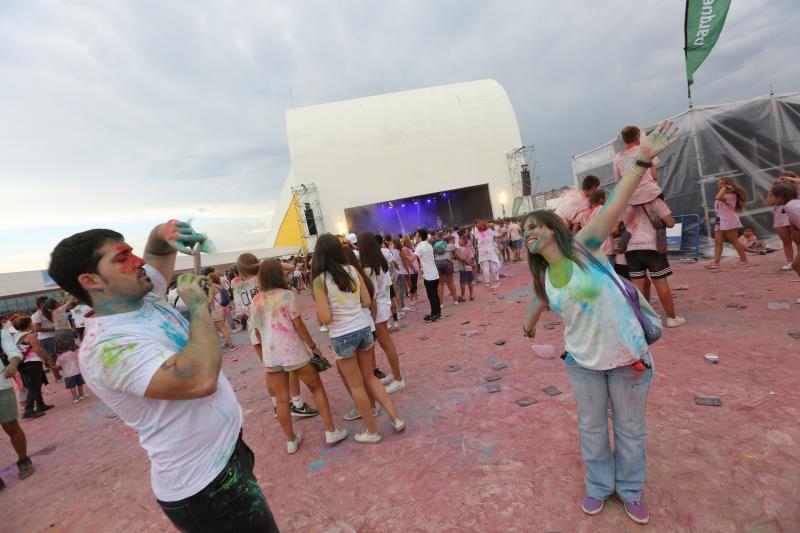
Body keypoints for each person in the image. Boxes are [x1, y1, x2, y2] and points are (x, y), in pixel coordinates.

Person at [47, 220, 279, 532]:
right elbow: (200, 380)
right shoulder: (108, 349)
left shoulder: (143, 296)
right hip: (205, 486)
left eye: (131, 251)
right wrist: (197, 307)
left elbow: (157, 248)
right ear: (91, 280)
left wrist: (164, 232)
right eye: (122, 258)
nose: (138, 261)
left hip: (224, 457)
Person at [521, 121, 679, 525]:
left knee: (630, 431)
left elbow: (615, 205)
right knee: (591, 430)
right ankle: (598, 486)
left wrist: (642, 159)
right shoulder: (543, 276)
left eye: (533, 226)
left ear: (552, 228)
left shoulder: (583, 249)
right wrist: (531, 320)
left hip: (628, 357)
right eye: (524, 231)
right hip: (583, 364)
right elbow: (544, 299)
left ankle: (629, 490)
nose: (527, 234)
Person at [311, 234, 405, 443]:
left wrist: (323, 311)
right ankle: (395, 418)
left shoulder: (319, 281)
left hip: (342, 335)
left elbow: (325, 318)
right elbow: (365, 300)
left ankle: (372, 431)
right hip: (363, 328)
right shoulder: (353, 270)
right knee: (370, 377)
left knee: (356, 385)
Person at [250, 259, 347, 454]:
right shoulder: (287, 295)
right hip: (294, 352)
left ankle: (291, 440)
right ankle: (330, 430)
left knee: (281, 400)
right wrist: (312, 345)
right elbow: (298, 324)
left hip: (272, 355)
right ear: (279, 274)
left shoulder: (256, 300)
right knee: (316, 388)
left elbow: (257, 331)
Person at [234, 253, 318, 419]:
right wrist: (262, 264)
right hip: (274, 328)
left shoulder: (238, 288)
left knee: (270, 371)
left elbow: (241, 313)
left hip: (255, 330)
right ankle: (297, 403)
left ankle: (277, 406)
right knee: (291, 366)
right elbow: (290, 267)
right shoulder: (263, 277)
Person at [357, 232, 406, 394]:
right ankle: (396, 374)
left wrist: (370, 318)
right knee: (387, 344)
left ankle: (398, 378)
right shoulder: (379, 262)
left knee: (386, 344)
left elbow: (371, 296)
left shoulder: (369, 268)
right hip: (383, 305)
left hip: (377, 308)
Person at [0, 328, 36, 489]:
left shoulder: (1, 333)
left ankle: (24, 460)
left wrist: (13, 364)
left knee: (11, 426)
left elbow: (14, 352)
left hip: (1, 387)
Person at [12, 316, 55, 419]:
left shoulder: (16, 336)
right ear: (28, 324)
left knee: (35, 385)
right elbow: (38, 350)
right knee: (34, 387)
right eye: (31, 322)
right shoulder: (30, 336)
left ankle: (40, 405)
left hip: (21, 364)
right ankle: (28, 410)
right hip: (32, 363)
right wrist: (47, 359)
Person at [705, 177, 750, 269]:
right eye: (719, 184)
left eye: (722, 184)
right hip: (719, 221)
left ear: (727, 184)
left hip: (729, 221)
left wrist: (725, 188)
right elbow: (718, 206)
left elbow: (718, 197)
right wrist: (724, 188)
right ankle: (716, 262)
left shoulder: (731, 195)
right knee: (718, 242)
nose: (719, 186)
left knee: (734, 241)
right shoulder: (723, 194)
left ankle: (744, 260)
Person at [768, 182, 800, 301]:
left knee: (797, 265)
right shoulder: (792, 205)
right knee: (796, 265)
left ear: (781, 197)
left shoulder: (791, 207)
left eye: (774, 196)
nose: (772, 199)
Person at [766, 171, 800, 270]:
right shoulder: (777, 191)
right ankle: (789, 261)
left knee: (798, 241)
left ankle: (798, 261)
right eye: (781, 178)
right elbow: (768, 203)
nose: (783, 181)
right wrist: (773, 188)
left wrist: (791, 180)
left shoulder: (796, 188)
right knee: (786, 241)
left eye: (785, 179)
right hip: (780, 217)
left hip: (793, 216)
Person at [413, 228, 441, 322]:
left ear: (420, 237)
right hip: (434, 274)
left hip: (429, 276)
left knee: (431, 296)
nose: (415, 238)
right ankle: (438, 313)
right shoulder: (428, 244)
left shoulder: (420, 247)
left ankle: (434, 315)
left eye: (416, 236)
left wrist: (402, 254)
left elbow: (411, 259)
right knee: (435, 295)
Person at [31, 297, 61, 382]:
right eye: (47, 302)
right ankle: (57, 377)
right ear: (41, 304)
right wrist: (54, 328)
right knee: (52, 357)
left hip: (54, 336)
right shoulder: (37, 315)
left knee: (58, 356)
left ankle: (59, 374)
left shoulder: (47, 312)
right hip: (46, 338)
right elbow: (37, 329)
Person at [207, 273, 237, 352]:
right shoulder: (219, 286)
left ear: (212, 279)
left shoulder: (212, 288)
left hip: (217, 310)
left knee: (222, 328)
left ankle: (231, 345)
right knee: (221, 327)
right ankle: (228, 344)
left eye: (208, 279)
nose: (207, 281)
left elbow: (209, 301)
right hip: (223, 308)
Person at [434, 236, 459, 307]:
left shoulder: (438, 246)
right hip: (447, 263)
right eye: (454, 240)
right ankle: (455, 300)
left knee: (440, 284)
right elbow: (458, 256)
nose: (454, 241)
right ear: (450, 240)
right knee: (451, 281)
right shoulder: (451, 246)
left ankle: (441, 304)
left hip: (437, 263)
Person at [475, 220, 501, 290]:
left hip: (482, 252)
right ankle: (497, 279)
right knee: (494, 266)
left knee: (485, 268)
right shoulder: (490, 231)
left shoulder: (477, 233)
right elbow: (497, 236)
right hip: (490, 250)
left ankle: (487, 282)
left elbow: (476, 243)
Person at [455, 235, 477, 301]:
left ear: (462, 242)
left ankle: (463, 296)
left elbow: (459, 258)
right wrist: (471, 263)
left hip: (463, 269)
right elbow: (472, 257)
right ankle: (471, 295)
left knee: (462, 283)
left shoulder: (459, 249)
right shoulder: (469, 249)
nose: (458, 241)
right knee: (470, 282)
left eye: (459, 240)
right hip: (469, 268)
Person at [401, 237, 419, 306]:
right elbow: (407, 260)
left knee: (414, 284)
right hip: (412, 269)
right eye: (409, 241)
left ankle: (415, 297)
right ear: (406, 242)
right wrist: (413, 268)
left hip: (414, 268)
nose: (410, 242)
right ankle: (411, 299)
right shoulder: (405, 249)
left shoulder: (408, 248)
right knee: (413, 284)